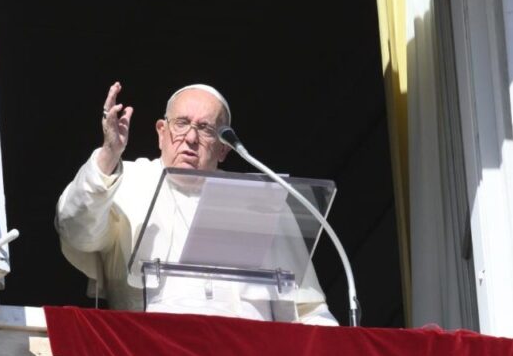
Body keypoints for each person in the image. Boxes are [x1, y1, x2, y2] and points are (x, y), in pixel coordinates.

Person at [56, 82, 338, 325]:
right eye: (181, 123)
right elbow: (75, 228)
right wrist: (108, 154)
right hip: (155, 355)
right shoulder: (126, 182)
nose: (190, 138)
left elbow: (309, 308)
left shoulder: (261, 201)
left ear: (224, 147)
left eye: (205, 129)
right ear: (161, 132)